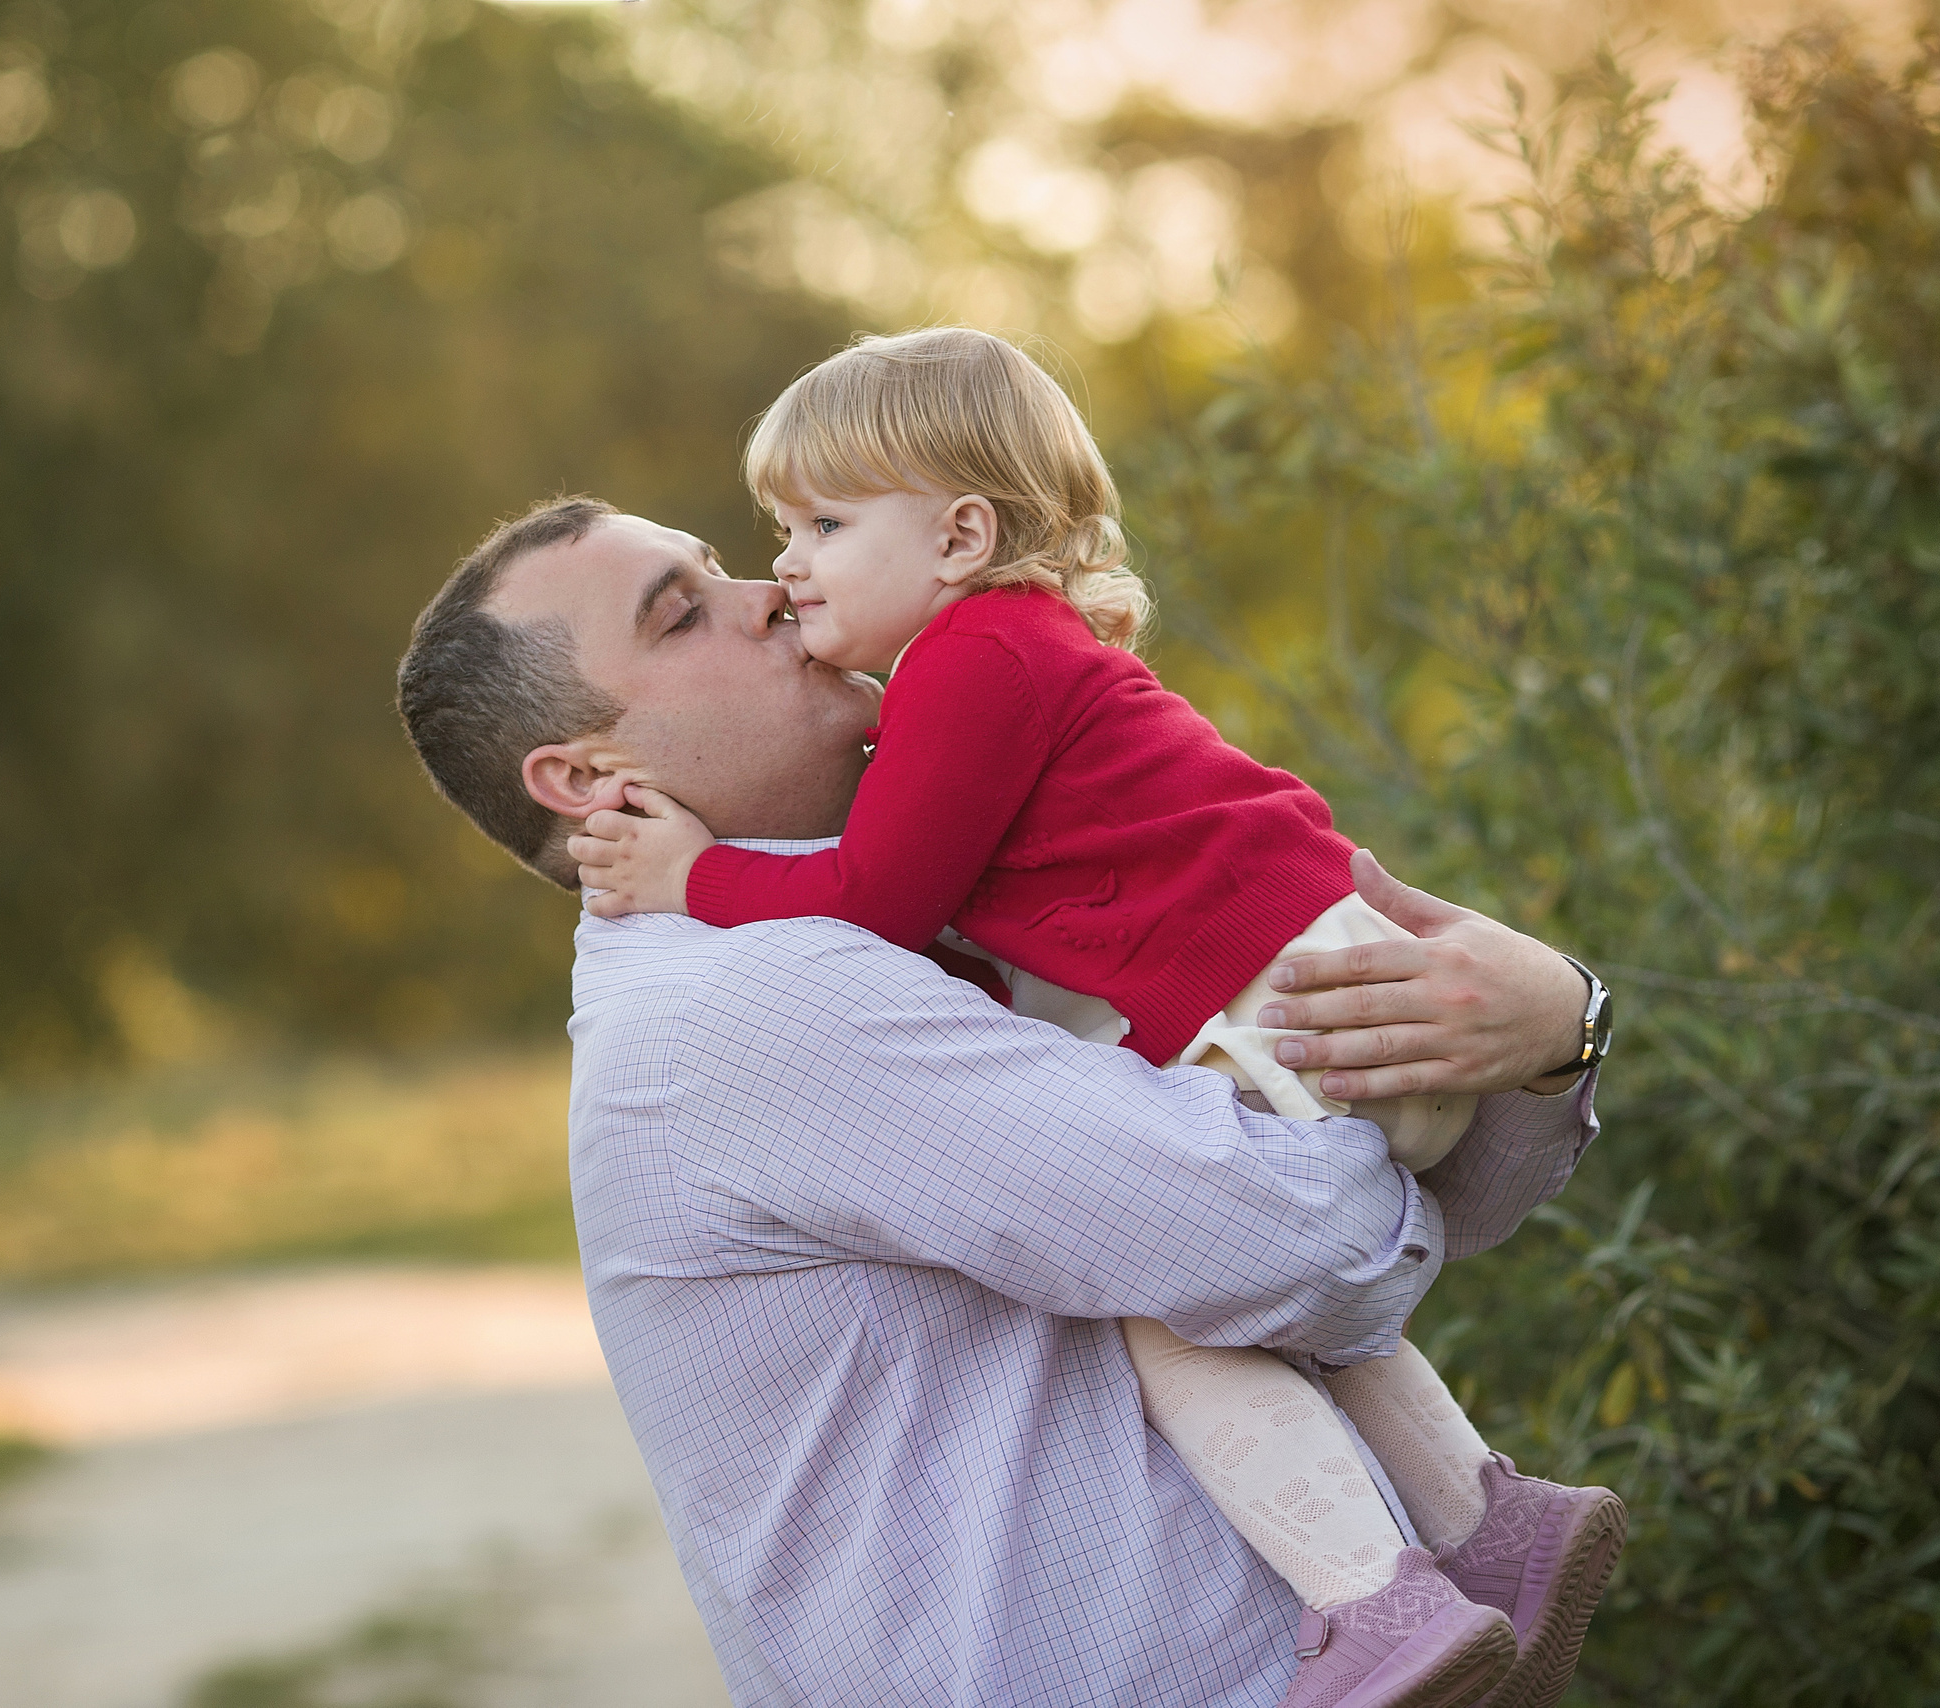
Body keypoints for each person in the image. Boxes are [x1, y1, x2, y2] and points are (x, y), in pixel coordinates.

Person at [395, 494, 1608, 1707]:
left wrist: (1554, 1028)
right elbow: (1318, 1248)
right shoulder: (749, 1003)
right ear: (581, 776)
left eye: (722, 563)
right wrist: (1351, 1121)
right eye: (681, 615)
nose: (768, 588)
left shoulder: (938, 901)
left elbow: (1385, 1203)